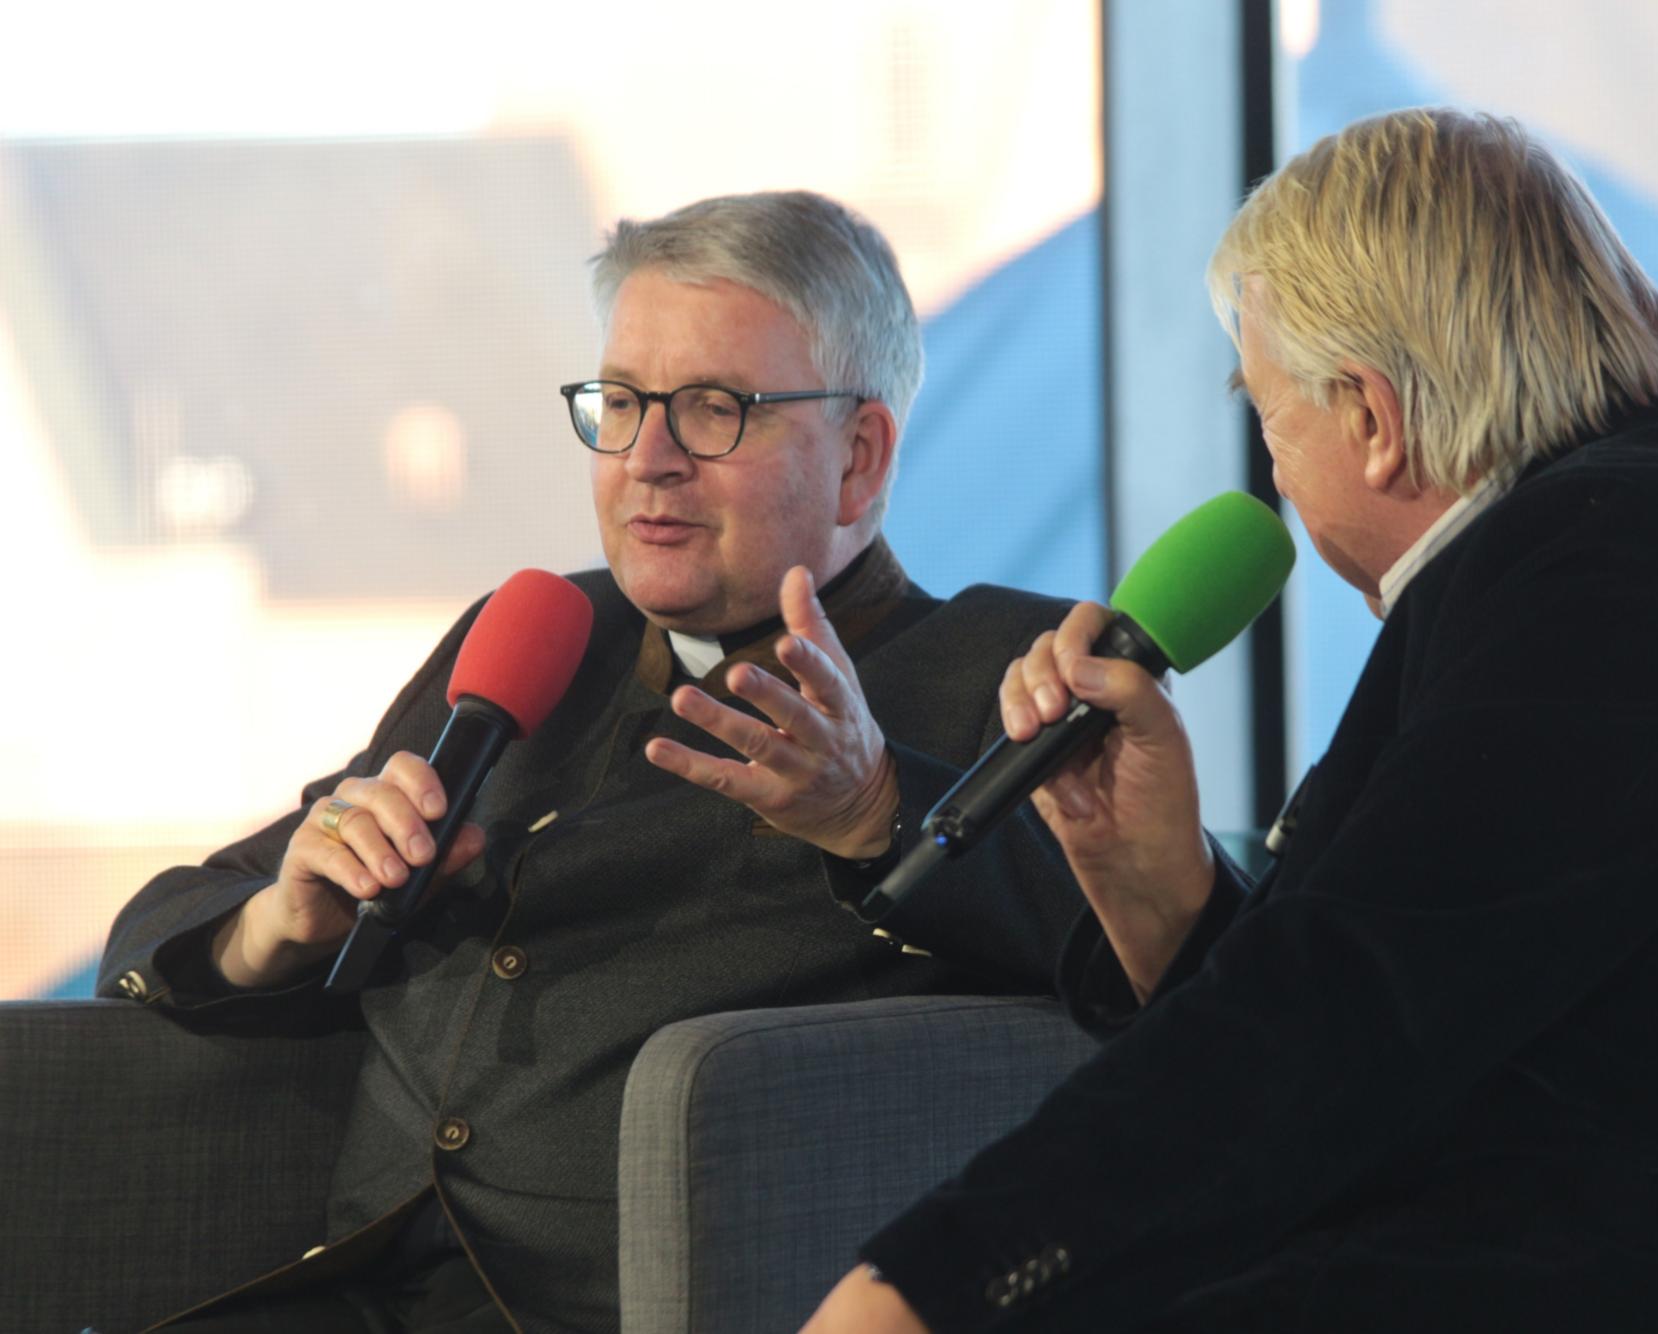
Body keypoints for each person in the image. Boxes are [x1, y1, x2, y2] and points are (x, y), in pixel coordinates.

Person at [801, 108, 1658, 1332]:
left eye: (1268, 417)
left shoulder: (1615, 567)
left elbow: (1337, 1017)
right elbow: (1412, 1011)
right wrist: (1155, 888)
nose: (1274, 480)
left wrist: (921, 1289)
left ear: (1370, 419)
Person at [95, 191, 1083, 1331]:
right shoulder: (539, 630)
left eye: (713, 410)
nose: (648, 460)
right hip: (348, 1285)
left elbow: (1152, 964)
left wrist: (878, 813)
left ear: (858, 459)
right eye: (620, 404)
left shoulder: (1005, 668)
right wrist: (277, 922)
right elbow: (166, 924)